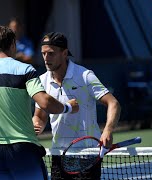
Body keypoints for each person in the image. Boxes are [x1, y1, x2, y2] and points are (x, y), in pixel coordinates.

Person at [0, 26, 79, 180]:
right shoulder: (25, 70)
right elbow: (44, 102)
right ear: (13, 45)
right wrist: (68, 107)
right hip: (23, 151)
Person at [33, 32, 121, 180]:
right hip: (58, 154)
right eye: (43, 54)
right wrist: (37, 123)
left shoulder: (85, 76)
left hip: (87, 154)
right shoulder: (41, 81)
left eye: (51, 54)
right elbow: (40, 115)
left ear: (64, 53)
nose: (46, 58)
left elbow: (113, 103)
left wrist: (108, 130)